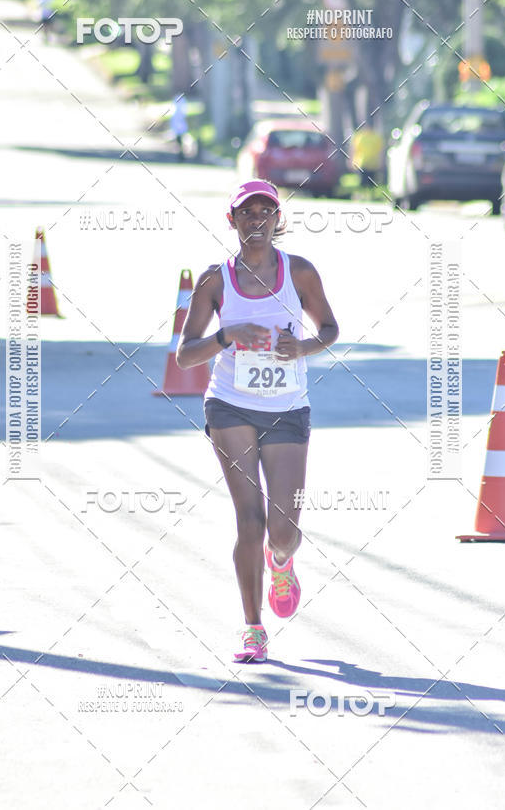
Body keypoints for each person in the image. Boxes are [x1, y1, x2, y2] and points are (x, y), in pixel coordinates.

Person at [176, 180, 339, 662]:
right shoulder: (215, 280)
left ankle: (281, 562)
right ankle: (252, 628)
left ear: (277, 220)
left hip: (287, 408)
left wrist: (302, 347)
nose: (256, 220)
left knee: (282, 530)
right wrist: (226, 336)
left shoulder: (299, 272)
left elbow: (331, 328)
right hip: (230, 405)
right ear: (232, 221)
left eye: (265, 211)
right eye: (246, 212)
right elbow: (185, 355)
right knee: (249, 519)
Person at [170, 94, 188, 160]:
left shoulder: (183, 100)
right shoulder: (176, 99)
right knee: (178, 139)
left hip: (181, 122)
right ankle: (180, 152)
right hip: (177, 122)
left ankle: (181, 153)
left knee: (181, 139)